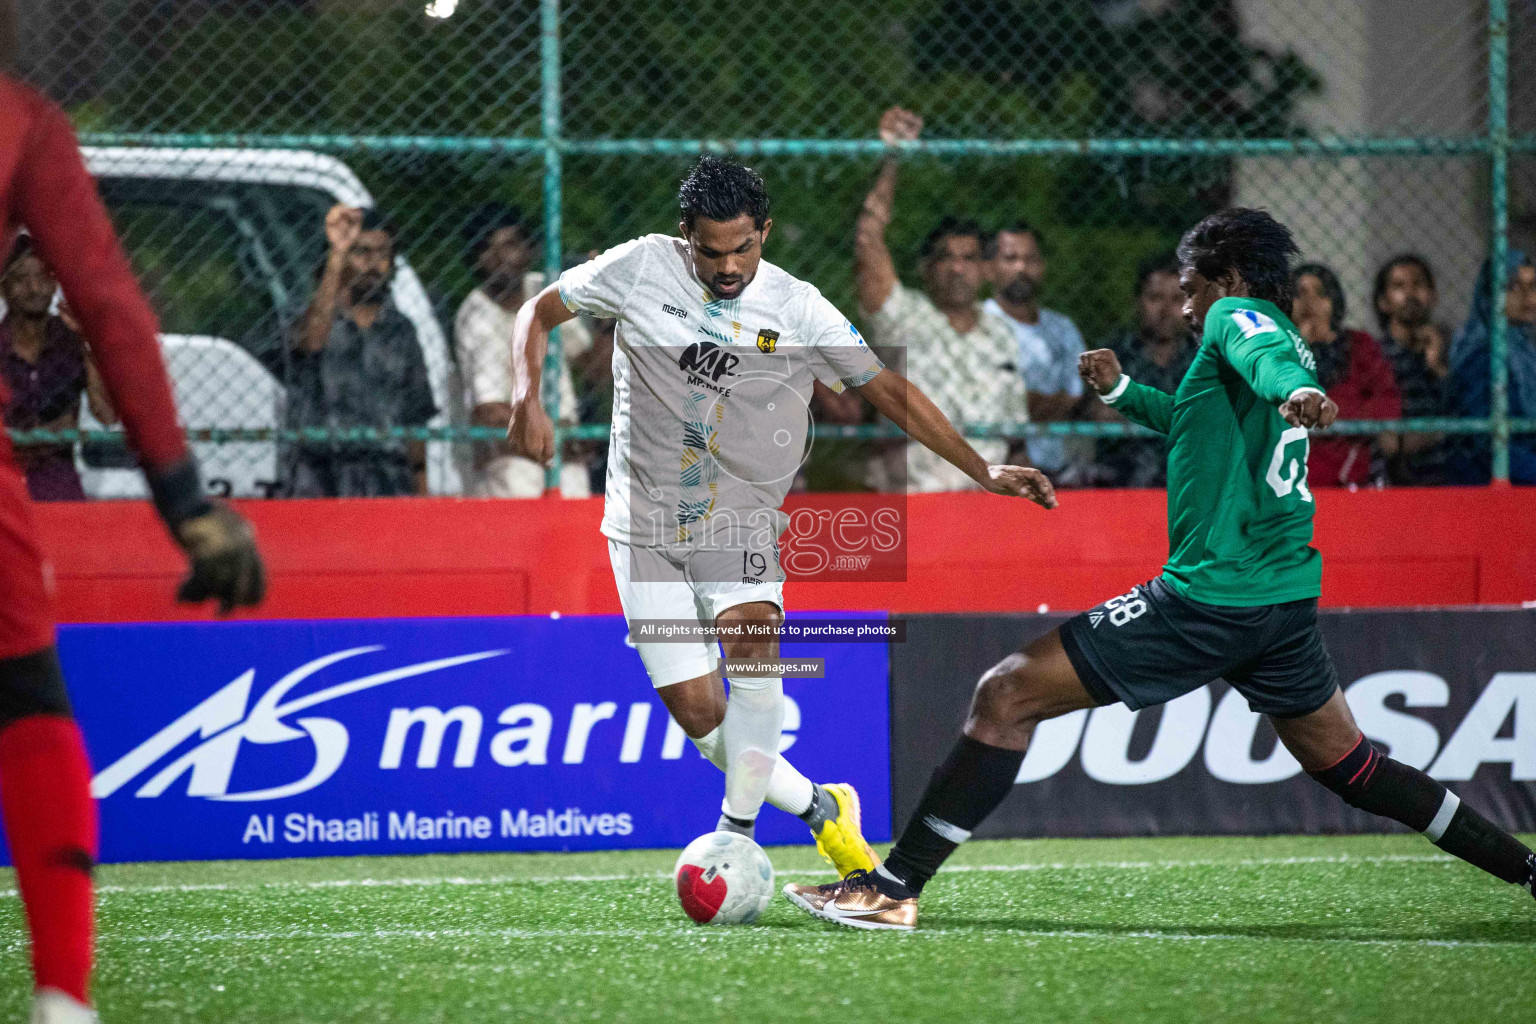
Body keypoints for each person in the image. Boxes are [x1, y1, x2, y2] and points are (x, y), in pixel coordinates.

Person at [783, 208, 1535, 931]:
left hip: (1210, 595)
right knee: (1354, 767)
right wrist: (1120, 393)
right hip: (1280, 602)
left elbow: (1261, 360)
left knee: (1005, 694)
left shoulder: (1239, 319)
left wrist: (1295, 391)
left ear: (1228, 277)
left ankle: (893, 888)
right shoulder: (1278, 336)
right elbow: (1197, 419)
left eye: (1189, 286)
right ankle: (1525, 870)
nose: (1182, 305)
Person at [508, 156, 1055, 880]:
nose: (729, 265)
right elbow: (538, 310)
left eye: (744, 247)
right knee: (704, 720)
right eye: (711, 251)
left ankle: (734, 834)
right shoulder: (641, 267)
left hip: (737, 521)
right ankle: (820, 808)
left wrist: (980, 469)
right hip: (638, 529)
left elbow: (886, 388)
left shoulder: (797, 306)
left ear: (764, 231)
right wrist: (527, 394)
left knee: (754, 653)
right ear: (685, 236)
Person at [0, 67, 265, 1022]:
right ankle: (61, 997)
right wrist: (185, 500)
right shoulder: (20, 121)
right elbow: (113, 304)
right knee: (24, 699)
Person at [855, 107, 1029, 493]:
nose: (957, 269)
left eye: (969, 259)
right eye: (945, 258)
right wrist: (892, 155)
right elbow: (868, 239)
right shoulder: (902, 314)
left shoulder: (1001, 335)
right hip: (915, 500)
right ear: (925, 268)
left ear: (986, 270)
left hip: (987, 507)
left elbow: (1016, 440)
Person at [284, 205, 437, 497]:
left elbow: (417, 414)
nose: (373, 263)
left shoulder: (401, 329)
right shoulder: (316, 318)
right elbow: (311, 342)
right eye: (361, 252)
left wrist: (421, 489)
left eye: (383, 254)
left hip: (389, 479)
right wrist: (337, 253)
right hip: (323, 476)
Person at [454, 203, 590, 497]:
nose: (502, 258)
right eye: (489, 249)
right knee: (518, 482)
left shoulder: (544, 289)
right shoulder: (477, 314)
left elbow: (590, 361)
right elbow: (490, 412)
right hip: (510, 455)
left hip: (565, 449)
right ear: (477, 259)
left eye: (512, 244)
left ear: (529, 249)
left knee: (575, 498)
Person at [1, 237, 116, 500]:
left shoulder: (72, 341)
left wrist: (87, 341)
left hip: (58, 485)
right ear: (3, 287)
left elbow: (108, 415)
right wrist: (53, 432)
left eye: (44, 276)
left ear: (55, 282)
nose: (34, 287)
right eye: (20, 279)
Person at [981, 222, 1088, 482]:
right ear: (988, 269)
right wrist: (1051, 402)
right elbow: (992, 404)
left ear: (1043, 266)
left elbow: (1079, 398)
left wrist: (1025, 402)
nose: (1021, 268)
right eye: (1010, 258)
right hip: (999, 471)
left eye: (1031, 259)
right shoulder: (977, 324)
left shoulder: (1063, 328)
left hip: (1062, 469)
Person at [1289, 263, 1401, 487]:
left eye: (1321, 294)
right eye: (1299, 294)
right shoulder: (1273, 351)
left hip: (1349, 475)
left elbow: (1385, 406)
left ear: (1335, 304)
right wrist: (1299, 349)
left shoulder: (1358, 345)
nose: (1309, 302)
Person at [1097, 254, 1197, 487]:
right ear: (1138, 301)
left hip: (1190, 478)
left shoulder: (1203, 356)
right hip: (1121, 481)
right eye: (1155, 298)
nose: (1165, 310)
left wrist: (1134, 407)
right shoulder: (1114, 352)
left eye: (1176, 300)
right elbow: (1100, 413)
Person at [1446, 250, 1536, 485]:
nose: (1528, 298)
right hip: (1484, 485)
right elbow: (1488, 443)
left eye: (1533, 286)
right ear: (1490, 294)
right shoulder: (1481, 356)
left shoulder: (1525, 352)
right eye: (1513, 287)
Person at [1373, 254, 1451, 485]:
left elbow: (1461, 409)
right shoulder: (1375, 357)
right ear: (1383, 302)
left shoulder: (1450, 350)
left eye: (1418, 284)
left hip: (1447, 479)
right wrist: (1439, 433)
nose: (1410, 294)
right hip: (1396, 483)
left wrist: (1437, 367)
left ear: (1433, 296)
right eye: (1399, 286)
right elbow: (1385, 441)